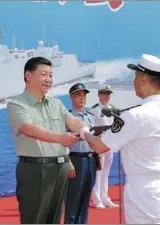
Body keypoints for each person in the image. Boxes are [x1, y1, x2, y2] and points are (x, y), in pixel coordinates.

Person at [85, 54, 160, 224]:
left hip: (144, 191)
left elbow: (100, 146)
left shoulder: (135, 115)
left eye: (135, 76)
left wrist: (82, 131)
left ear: (144, 79)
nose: (134, 81)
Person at [7, 57, 91, 224]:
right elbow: (29, 128)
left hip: (61, 168)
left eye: (51, 75)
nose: (48, 79)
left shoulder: (56, 103)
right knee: (34, 218)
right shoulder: (17, 104)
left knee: (54, 218)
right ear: (28, 76)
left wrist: (86, 132)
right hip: (35, 169)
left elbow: (72, 121)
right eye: (44, 74)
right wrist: (61, 138)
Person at [64, 83, 98, 224]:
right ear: (71, 97)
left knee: (85, 198)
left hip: (91, 159)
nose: (82, 98)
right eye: (78, 95)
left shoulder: (91, 116)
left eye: (84, 95)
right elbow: (62, 141)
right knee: (73, 199)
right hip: (76, 160)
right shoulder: (68, 117)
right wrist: (68, 162)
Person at [90, 85, 120, 209]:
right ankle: (97, 200)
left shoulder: (113, 109)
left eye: (108, 94)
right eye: (104, 93)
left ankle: (105, 197)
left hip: (110, 144)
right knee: (98, 172)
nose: (106, 96)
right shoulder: (94, 110)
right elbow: (91, 128)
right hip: (99, 144)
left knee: (106, 172)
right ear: (99, 94)